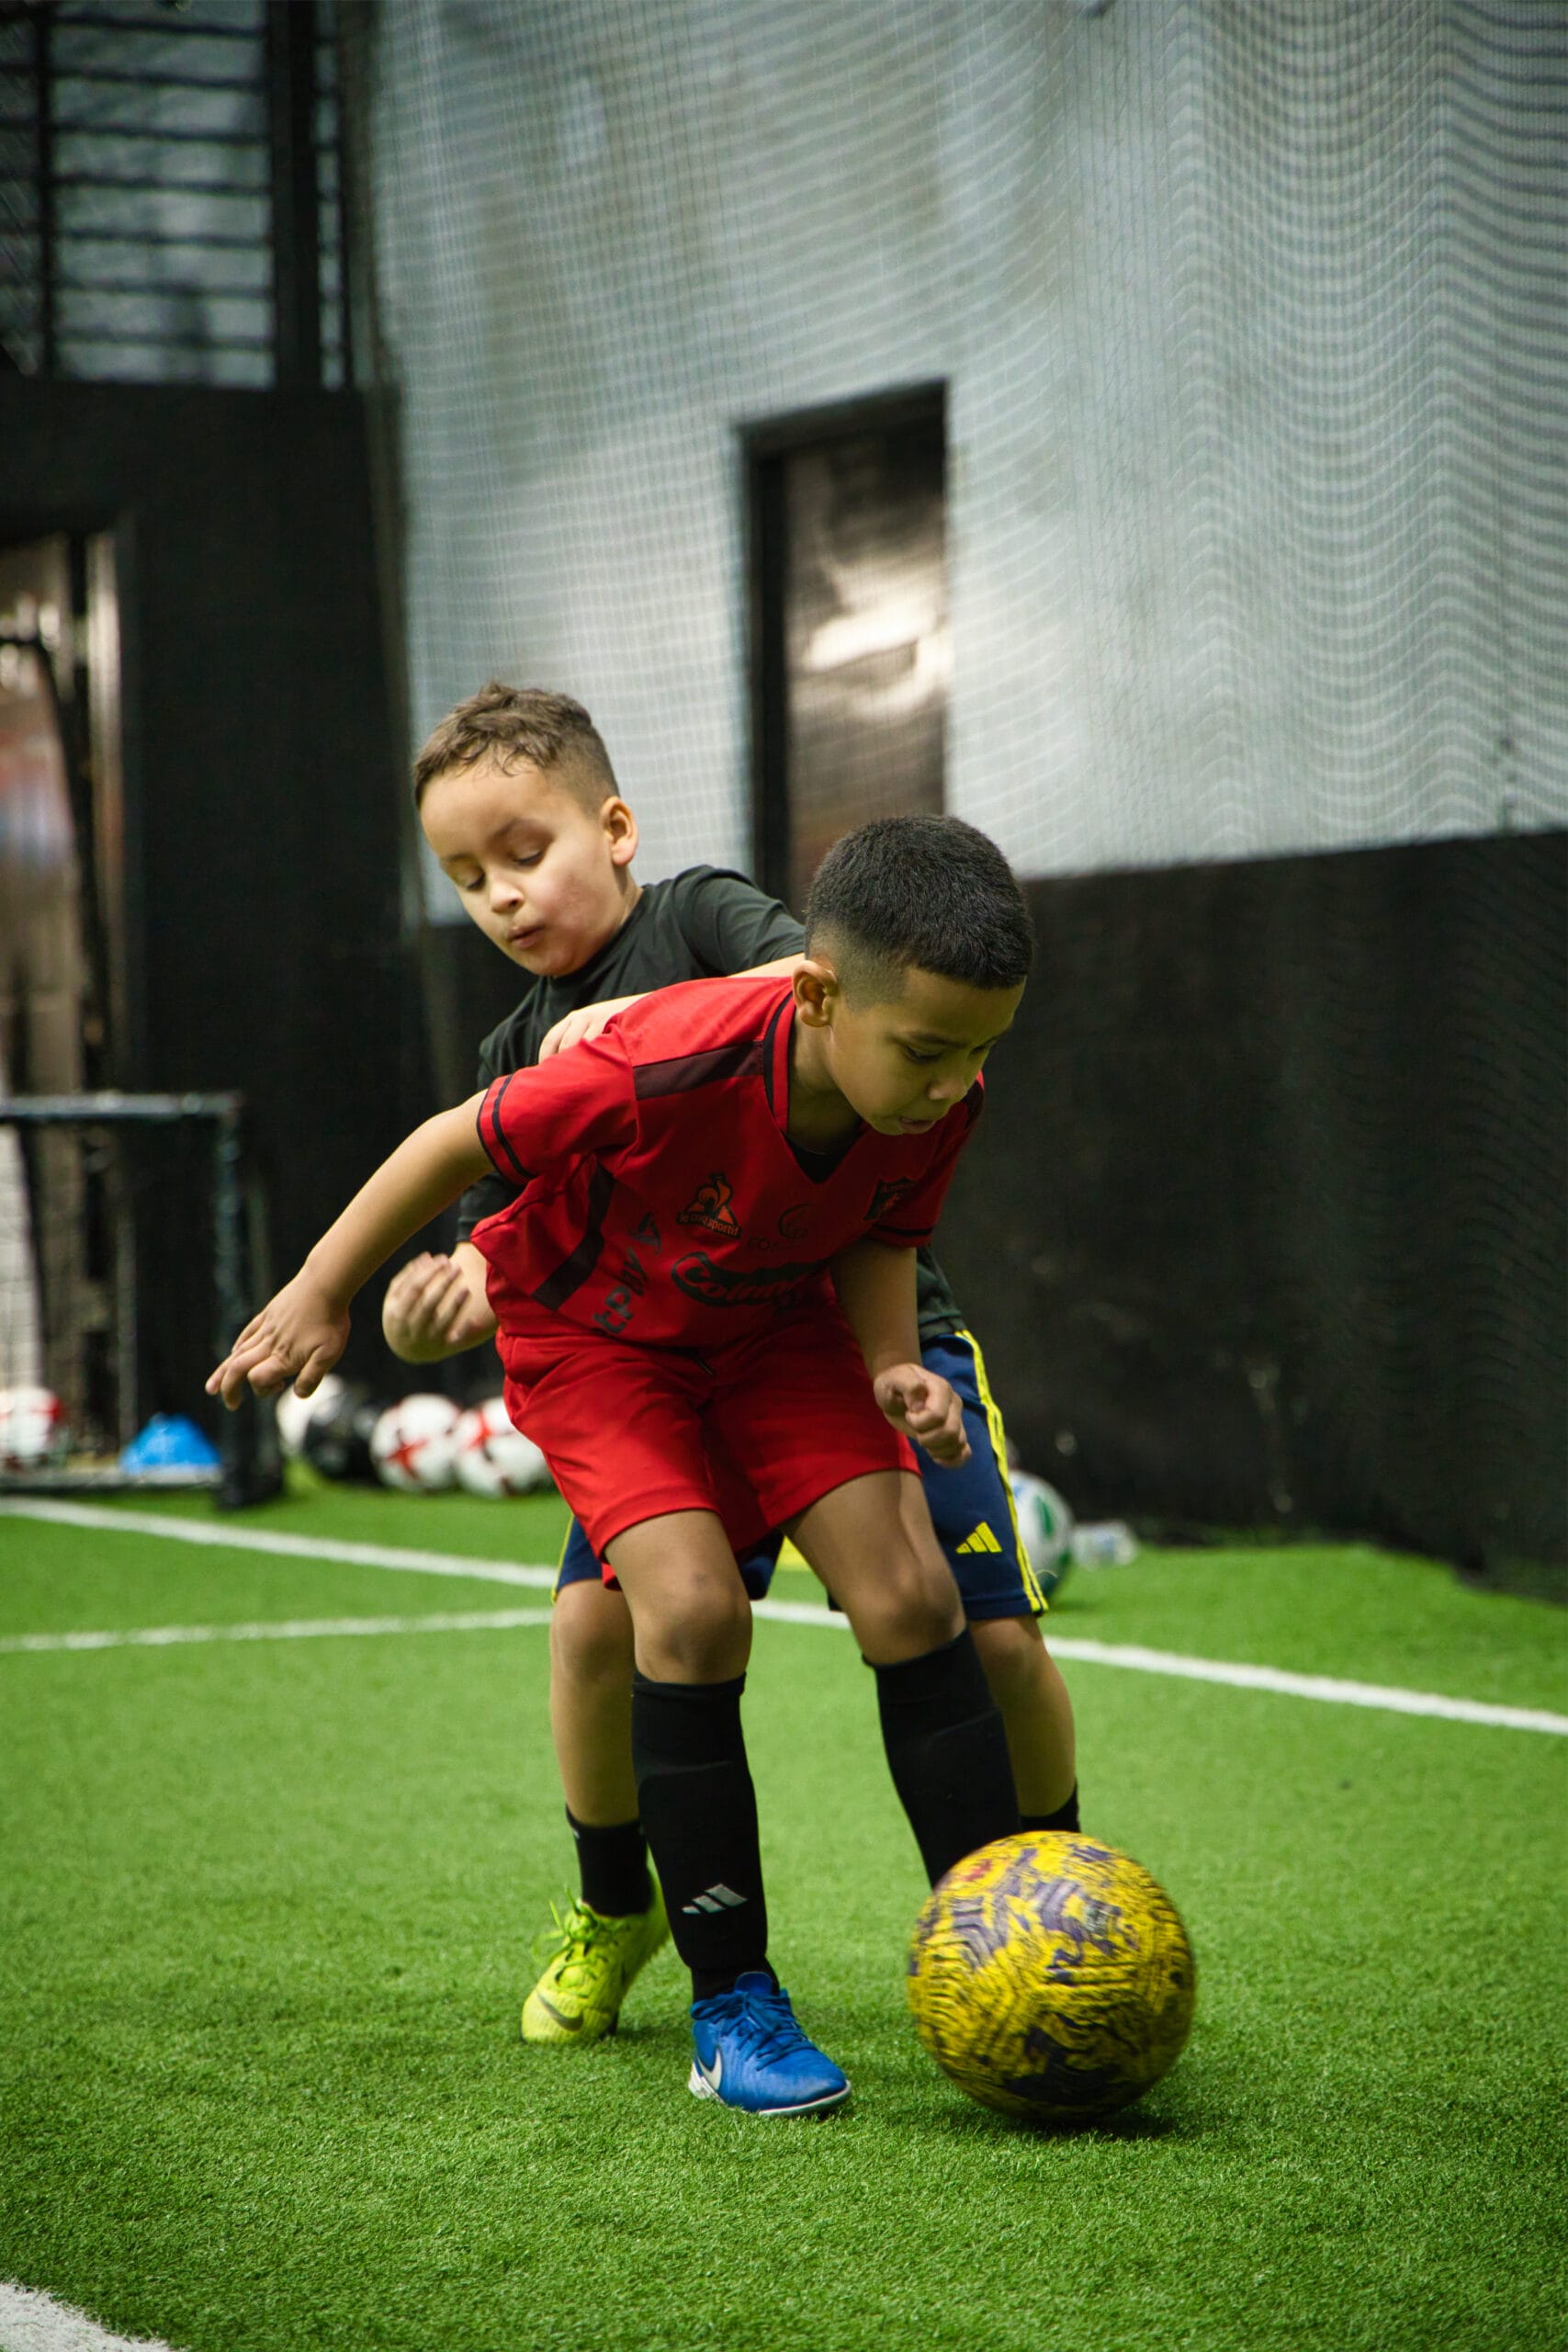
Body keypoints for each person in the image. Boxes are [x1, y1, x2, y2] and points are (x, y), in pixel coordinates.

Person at [209, 808, 1033, 2117]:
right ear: (817, 994)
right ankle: (732, 2009)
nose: (952, 1082)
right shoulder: (661, 1059)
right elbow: (449, 1141)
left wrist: (891, 1366)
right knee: (693, 1611)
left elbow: (883, 1226)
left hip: (776, 1333)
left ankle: (1013, 1950)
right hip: (601, 1348)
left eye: (979, 1052)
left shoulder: (943, 1083)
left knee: (915, 1598)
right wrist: (321, 1290)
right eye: (929, 1051)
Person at [383, 686, 1080, 2049]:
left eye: (524, 854)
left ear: (616, 827)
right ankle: (615, 1905)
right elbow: (499, 1244)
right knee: (602, 1627)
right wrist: (438, 1302)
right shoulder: (510, 1055)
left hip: (863, 1335)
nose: (504, 898)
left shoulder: (700, 917)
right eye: (467, 879)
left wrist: (645, 1024)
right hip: (675, 1360)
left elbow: (814, 985)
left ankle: (1054, 1896)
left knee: (983, 1631)